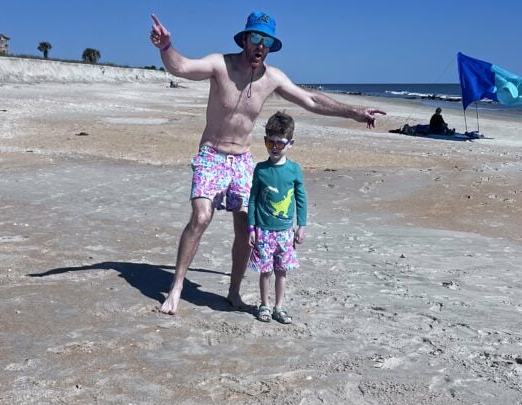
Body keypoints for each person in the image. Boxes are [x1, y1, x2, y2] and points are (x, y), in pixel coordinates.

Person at [149, 11, 385, 314]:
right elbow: (181, 67)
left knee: (247, 226)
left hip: (243, 160)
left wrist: (354, 112)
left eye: (267, 41)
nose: (261, 45)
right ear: (245, 39)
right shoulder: (220, 65)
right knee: (201, 216)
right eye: (256, 38)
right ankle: (177, 287)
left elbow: (311, 100)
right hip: (212, 154)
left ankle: (233, 292)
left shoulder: (272, 78)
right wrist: (166, 47)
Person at [247, 111, 306, 324]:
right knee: (265, 271)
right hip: (263, 230)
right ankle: (264, 304)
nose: (274, 147)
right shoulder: (261, 170)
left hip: (285, 232)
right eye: (269, 142)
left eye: (279, 144)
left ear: (290, 143)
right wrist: (251, 228)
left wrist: (302, 225)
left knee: (282, 271)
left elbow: (301, 199)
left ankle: (278, 307)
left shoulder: (294, 170)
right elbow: (252, 199)